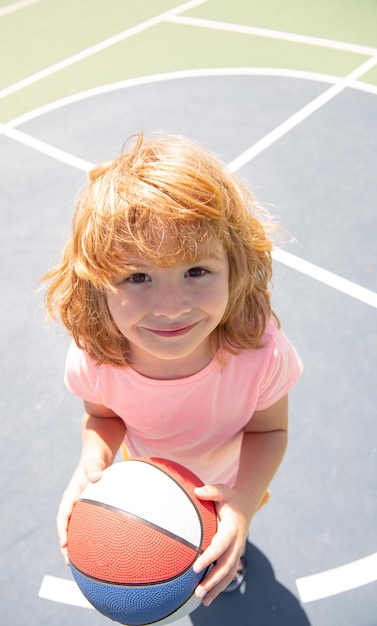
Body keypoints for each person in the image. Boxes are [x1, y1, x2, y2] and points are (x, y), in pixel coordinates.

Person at [42, 132, 302, 607]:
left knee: (225, 534)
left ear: (235, 267)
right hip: (151, 486)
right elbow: (103, 416)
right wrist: (92, 461)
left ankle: (229, 537)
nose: (170, 306)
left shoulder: (259, 352)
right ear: (97, 284)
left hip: (230, 479)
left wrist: (241, 504)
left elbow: (269, 432)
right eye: (137, 277)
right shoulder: (98, 358)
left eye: (196, 272)